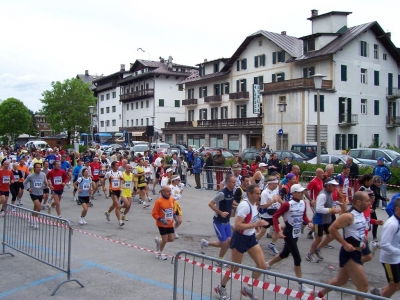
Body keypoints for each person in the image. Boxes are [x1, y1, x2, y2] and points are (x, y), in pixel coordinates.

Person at [214, 184, 269, 300]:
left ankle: (248, 288)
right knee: (234, 268)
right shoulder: (245, 205)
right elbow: (237, 225)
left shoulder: (254, 205)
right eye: (257, 193)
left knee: (262, 265)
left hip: (250, 238)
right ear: (249, 194)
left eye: (260, 193)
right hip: (240, 238)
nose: (259, 195)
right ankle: (221, 287)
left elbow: (251, 219)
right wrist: (256, 224)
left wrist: (255, 226)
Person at [317, 192, 371, 299]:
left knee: (340, 281)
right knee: (363, 287)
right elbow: (332, 229)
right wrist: (345, 243)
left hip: (357, 250)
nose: (370, 203)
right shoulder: (349, 216)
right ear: (359, 202)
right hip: (350, 253)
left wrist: (362, 239)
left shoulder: (361, 213)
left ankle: (318, 295)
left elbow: (357, 230)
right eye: (367, 201)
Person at [266, 184, 314, 294]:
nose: (303, 194)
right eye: (300, 192)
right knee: (298, 259)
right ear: (294, 193)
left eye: (303, 192)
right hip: (288, 233)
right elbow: (275, 216)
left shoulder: (303, 203)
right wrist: (278, 231)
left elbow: (304, 216)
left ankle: (267, 265)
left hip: (296, 233)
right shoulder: (287, 205)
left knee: (284, 254)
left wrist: (308, 222)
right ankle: (300, 285)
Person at [201, 174, 236, 265]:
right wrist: (220, 212)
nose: (234, 184)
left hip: (227, 222)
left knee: (228, 242)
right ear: (227, 182)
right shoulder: (222, 193)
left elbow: (230, 202)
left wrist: (237, 207)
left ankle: (217, 256)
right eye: (233, 182)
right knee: (224, 243)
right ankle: (208, 246)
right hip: (218, 222)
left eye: (235, 182)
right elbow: (210, 204)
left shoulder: (232, 191)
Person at [370, 198, 400, 298]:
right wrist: (398, 251)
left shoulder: (398, 221)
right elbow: (384, 244)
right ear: (397, 209)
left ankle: (379, 292)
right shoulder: (392, 224)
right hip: (389, 260)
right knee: (394, 286)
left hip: (396, 258)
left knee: (397, 285)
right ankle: (381, 296)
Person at [306, 179, 342, 263]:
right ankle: (309, 254)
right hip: (319, 220)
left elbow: (329, 202)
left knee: (331, 236)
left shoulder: (329, 193)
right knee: (318, 238)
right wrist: (331, 210)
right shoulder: (323, 195)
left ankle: (317, 249)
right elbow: (319, 209)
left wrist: (337, 203)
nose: (335, 187)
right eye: (333, 186)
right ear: (328, 185)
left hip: (326, 219)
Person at [257, 177, 283, 254]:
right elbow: (263, 206)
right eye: (275, 184)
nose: (276, 185)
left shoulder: (274, 191)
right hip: (266, 215)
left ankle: (272, 245)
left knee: (278, 229)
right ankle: (252, 242)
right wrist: (272, 201)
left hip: (274, 215)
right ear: (270, 184)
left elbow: (277, 200)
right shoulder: (265, 193)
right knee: (262, 232)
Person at [152, 185, 175, 260]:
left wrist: (175, 216)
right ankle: (159, 253)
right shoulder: (159, 201)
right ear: (163, 192)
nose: (169, 193)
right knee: (165, 239)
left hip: (170, 223)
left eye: (170, 191)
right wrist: (161, 219)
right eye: (168, 191)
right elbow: (154, 213)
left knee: (171, 239)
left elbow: (172, 209)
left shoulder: (172, 199)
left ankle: (159, 242)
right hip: (161, 224)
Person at [24, 162, 48, 228]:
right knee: (39, 208)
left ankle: (31, 218)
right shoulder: (30, 176)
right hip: (33, 193)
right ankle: (35, 221)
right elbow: (24, 183)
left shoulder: (43, 174)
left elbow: (45, 182)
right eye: (37, 167)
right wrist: (28, 189)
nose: (39, 168)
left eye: (40, 167)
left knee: (35, 208)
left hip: (40, 193)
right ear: (34, 168)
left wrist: (46, 184)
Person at [104, 161, 125, 226]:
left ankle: (108, 212)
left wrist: (122, 181)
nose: (117, 166)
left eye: (118, 165)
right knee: (117, 205)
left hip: (118, 190)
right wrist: (103, 187)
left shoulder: (120, 172)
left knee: (114, 204)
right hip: (112, 190)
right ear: (112, 166)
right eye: (116, 165)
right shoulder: (109, 173)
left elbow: (122, 180)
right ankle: (120, 221)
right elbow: (103, 179)